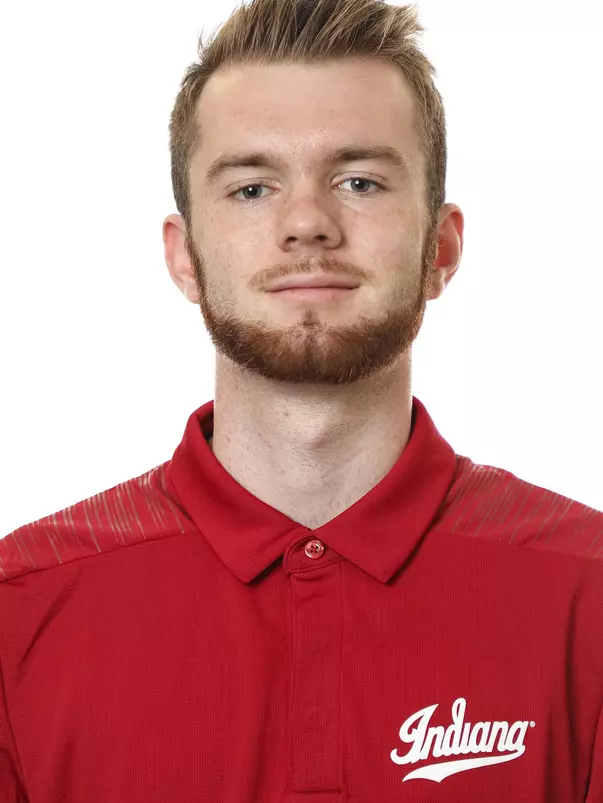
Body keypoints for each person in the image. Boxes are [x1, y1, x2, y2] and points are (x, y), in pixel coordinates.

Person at [1, 0, 602, 799]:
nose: (308, 223)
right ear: (184, 259)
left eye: (359, 181)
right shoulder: (21, 608)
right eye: (251, 188)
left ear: (441, 247)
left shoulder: (585, 595)